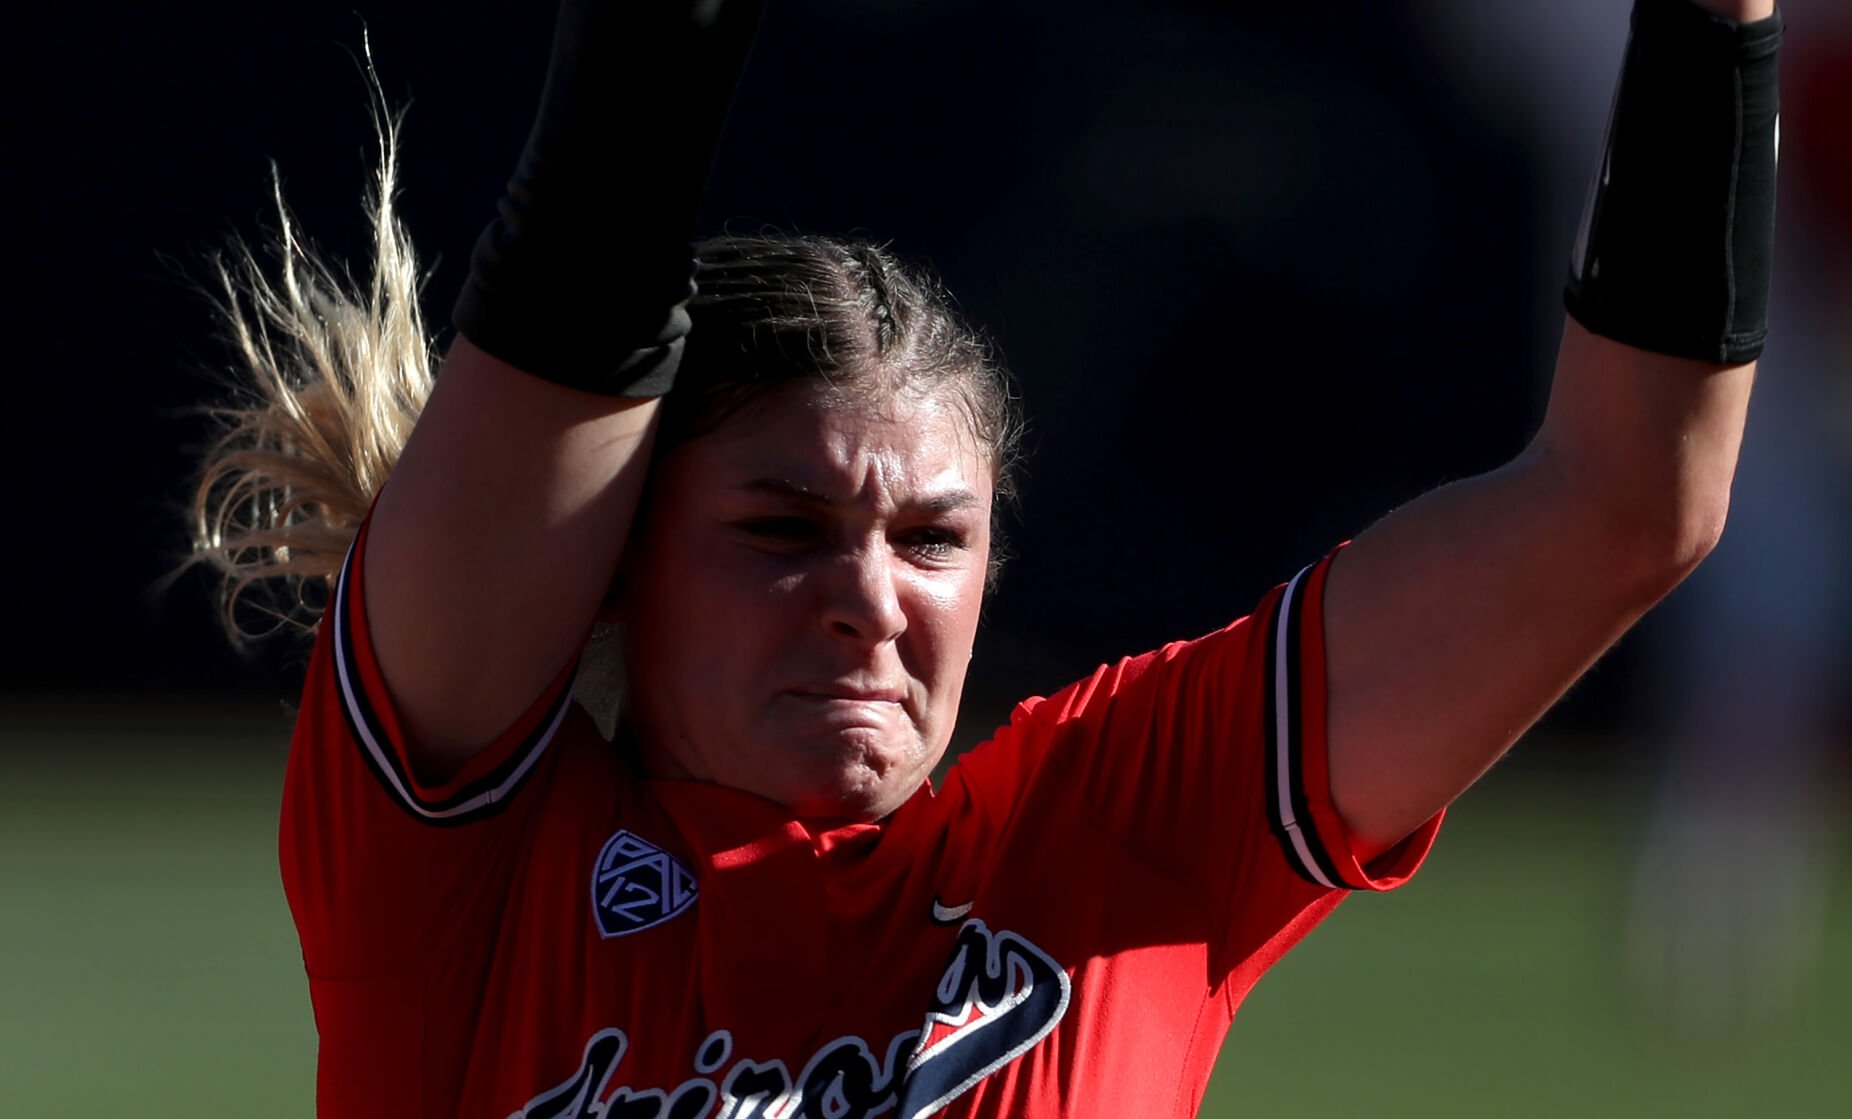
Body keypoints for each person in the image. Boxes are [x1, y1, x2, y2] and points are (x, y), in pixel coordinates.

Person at [186, 0, 1783, 1115]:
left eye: (933, 539)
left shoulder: (1116, 832)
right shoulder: (462, 872)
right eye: (780, 530)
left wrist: (1721, 20)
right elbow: (585, 272)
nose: (870, 600)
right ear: (617, 558)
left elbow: (1627, 504)